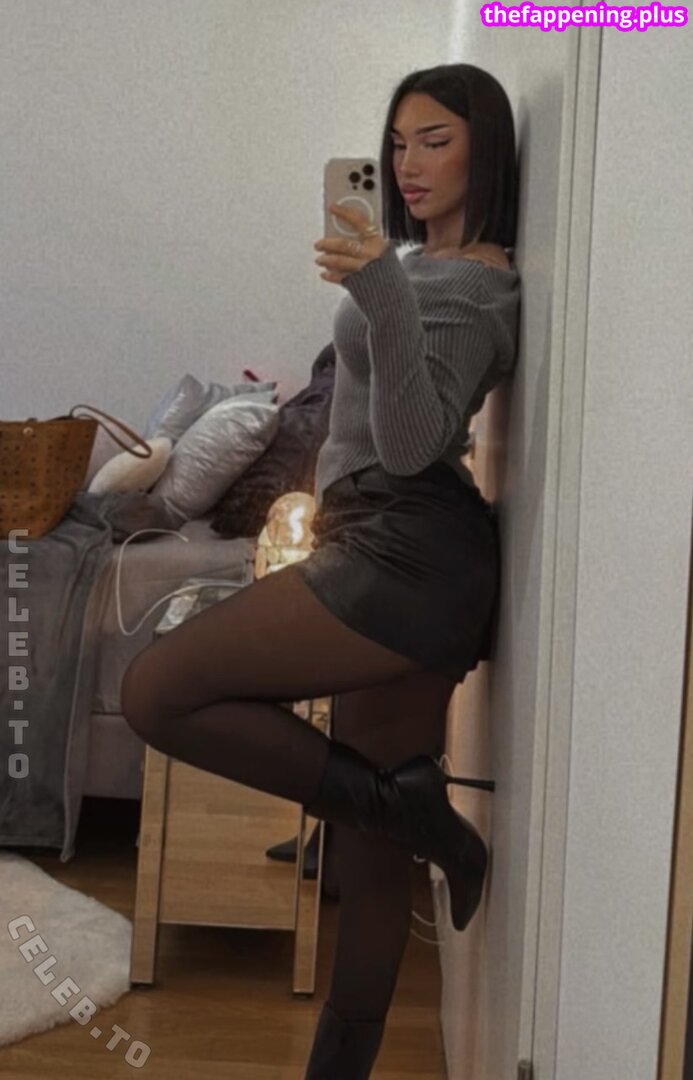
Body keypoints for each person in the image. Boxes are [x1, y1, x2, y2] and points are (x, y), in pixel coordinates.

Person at [121, 60, 520, 1079]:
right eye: (397, 143)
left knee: (158, 690)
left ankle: (414, 811)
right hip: (386, 545)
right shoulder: (417, 263)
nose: (409, 163)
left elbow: (414, 443)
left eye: (436, 140)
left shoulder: (476, 285)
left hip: (405, 548)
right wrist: (384, 280)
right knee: (370, 842)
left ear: (486, 149)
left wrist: (379, 288)